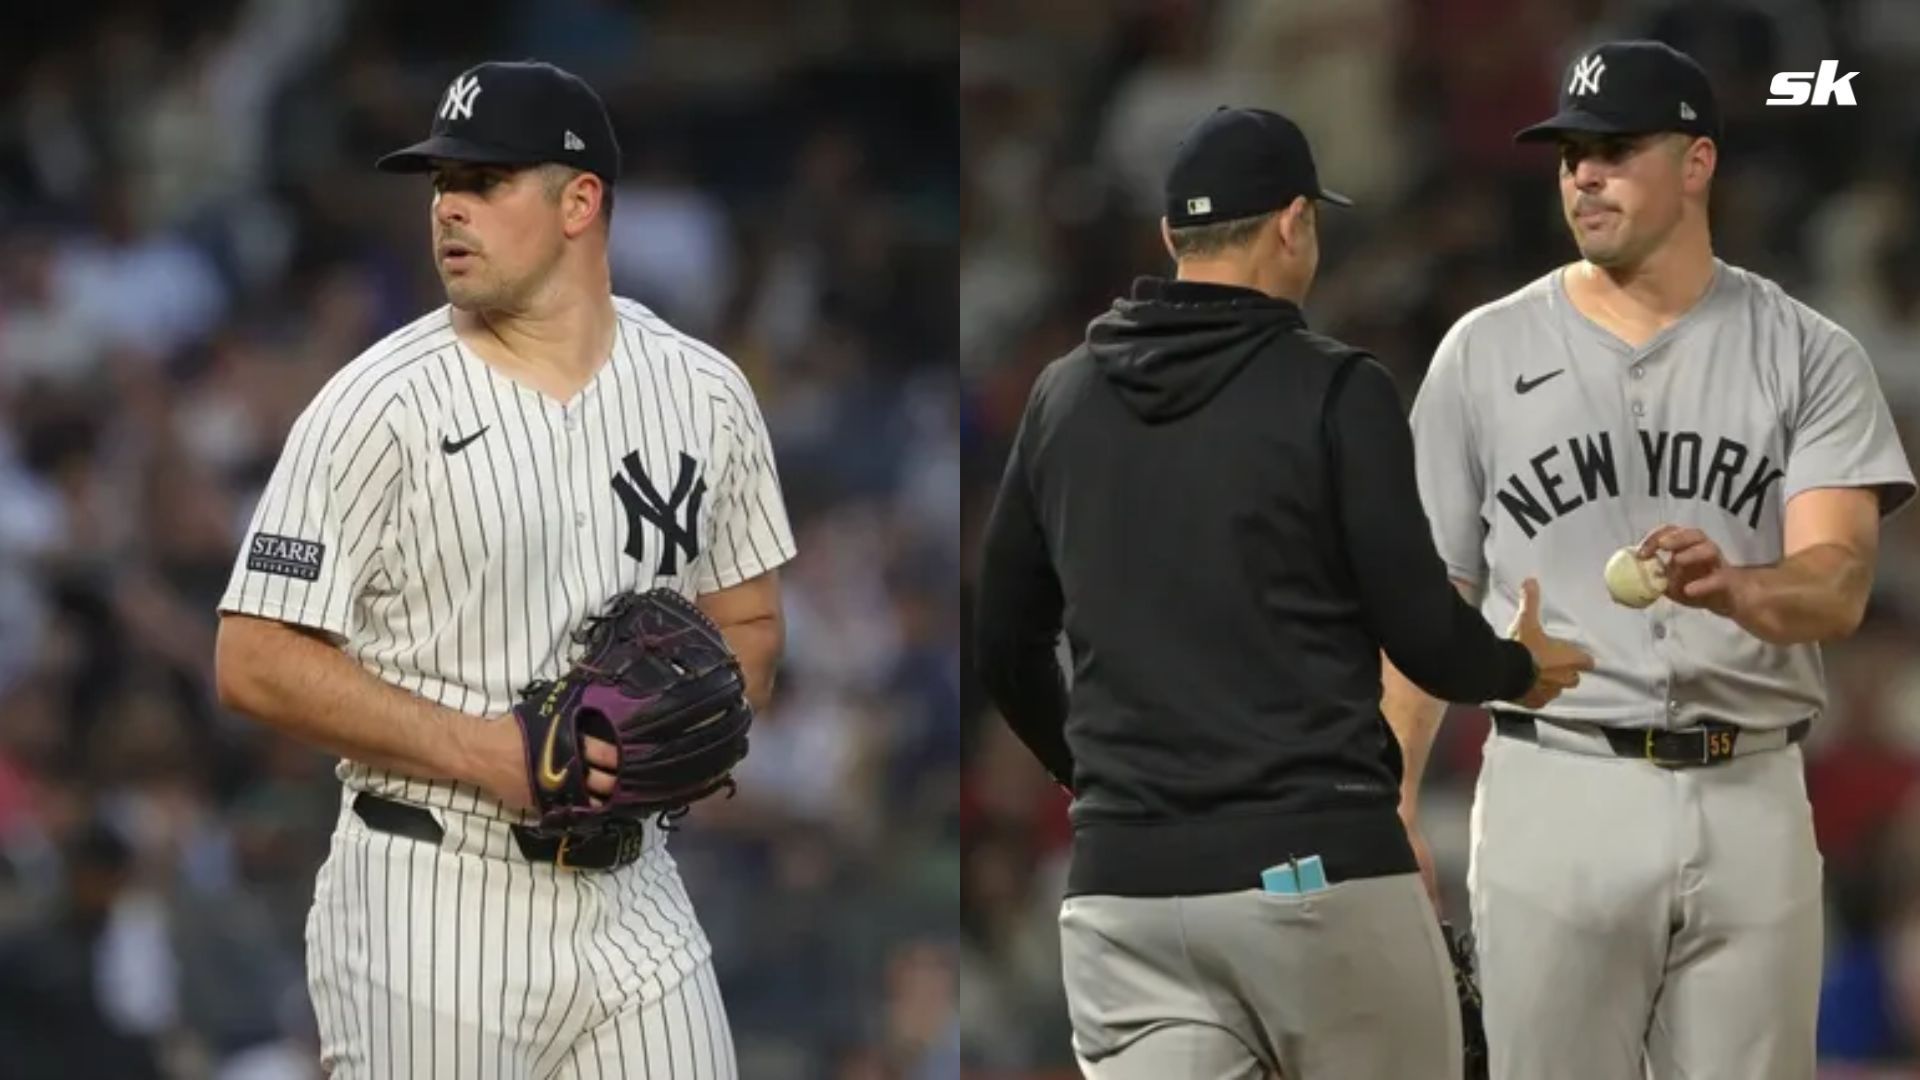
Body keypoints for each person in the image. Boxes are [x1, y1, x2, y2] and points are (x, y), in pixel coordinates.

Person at [972, 105, 1593, 1080]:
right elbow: (1424, 633)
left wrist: (1097, 783)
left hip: (1123, 898)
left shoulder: (1063, 397)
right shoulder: (1334, 390)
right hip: (1314, 877)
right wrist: (1520, 666)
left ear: (1174, 236)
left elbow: (1003, 645)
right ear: (1295, 224)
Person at [212, 59, 795, 1078]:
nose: (450, 208)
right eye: (441, 184)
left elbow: (748, 622)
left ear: (580, 202)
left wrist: (684, 736)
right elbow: (252, 657)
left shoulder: (704, 391)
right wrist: (491, 752)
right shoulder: (376, 405)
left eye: (484, 181)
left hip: (635, 888)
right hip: (430, 892)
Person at [1388, 40, 1918, 1080]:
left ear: (1697, 162)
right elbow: (1431, 599)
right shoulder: (1482, 354)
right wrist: (1389, 799)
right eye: (1570, 152)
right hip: (1556, 779)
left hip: (1750, 784)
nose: (1584, 173)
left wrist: (1742, 586)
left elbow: (1840, 581)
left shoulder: (1807, 352)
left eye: (1617, 148)